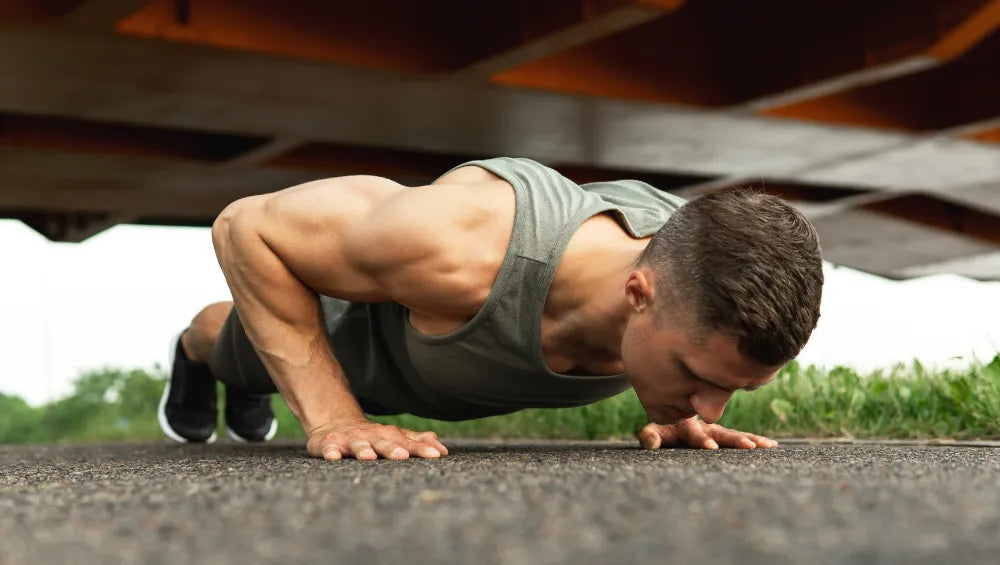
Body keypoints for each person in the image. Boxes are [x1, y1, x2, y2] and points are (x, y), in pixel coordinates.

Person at [157, 157, 823, 460]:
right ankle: (193, 353)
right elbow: (246, 228)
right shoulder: (456, 244)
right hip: (355, 345)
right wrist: (332, 414)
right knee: (237, 350)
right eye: (699, 376)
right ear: (636, 293)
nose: (714, 408)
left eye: (732, 388)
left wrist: (677, 405)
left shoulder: (696, 277)